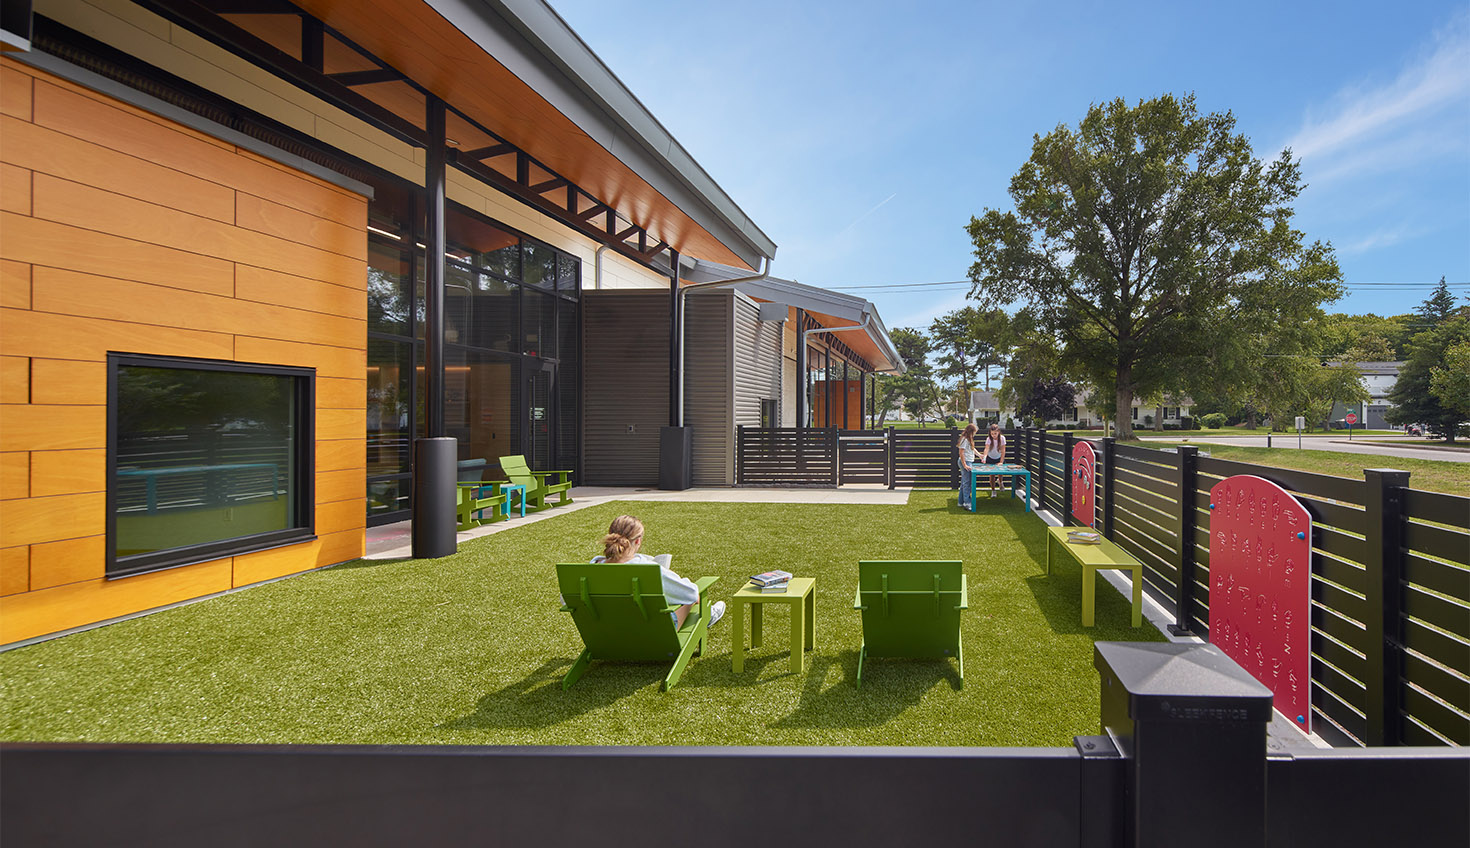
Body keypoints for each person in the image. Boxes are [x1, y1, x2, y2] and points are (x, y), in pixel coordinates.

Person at [592, 515, 725, 629]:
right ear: (638, 541)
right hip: (653, 632)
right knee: (691, 595)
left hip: (609, 631)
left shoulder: (594, 566)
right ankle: (710, 615)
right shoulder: (648, 569)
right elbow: (690, 593)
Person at [981, 424, 1006, 498]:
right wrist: (984, 457)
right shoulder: (989, 439)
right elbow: (986, 448)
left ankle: (1000, 482)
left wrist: (1001, 461)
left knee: (1000, 473)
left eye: (995, 433)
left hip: (999, 457)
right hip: (990, 458)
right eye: (992, 433)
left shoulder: (1002, 438)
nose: (993, 435)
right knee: (992, 475)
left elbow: (1003, 450)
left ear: (998, 432)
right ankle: (993, 490)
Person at [956, 423, 978, 509]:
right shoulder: (964, 439)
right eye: (974, 432)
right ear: (971, 431)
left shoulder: (969, 439)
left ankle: (960, 502)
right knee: (967, 483)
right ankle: (967, 503)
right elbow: (961, 452)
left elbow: (972, 449)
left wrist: (980, 455)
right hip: (965, 462)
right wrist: (965, 464)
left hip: (968, 461)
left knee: (964, 482)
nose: (975, 434)